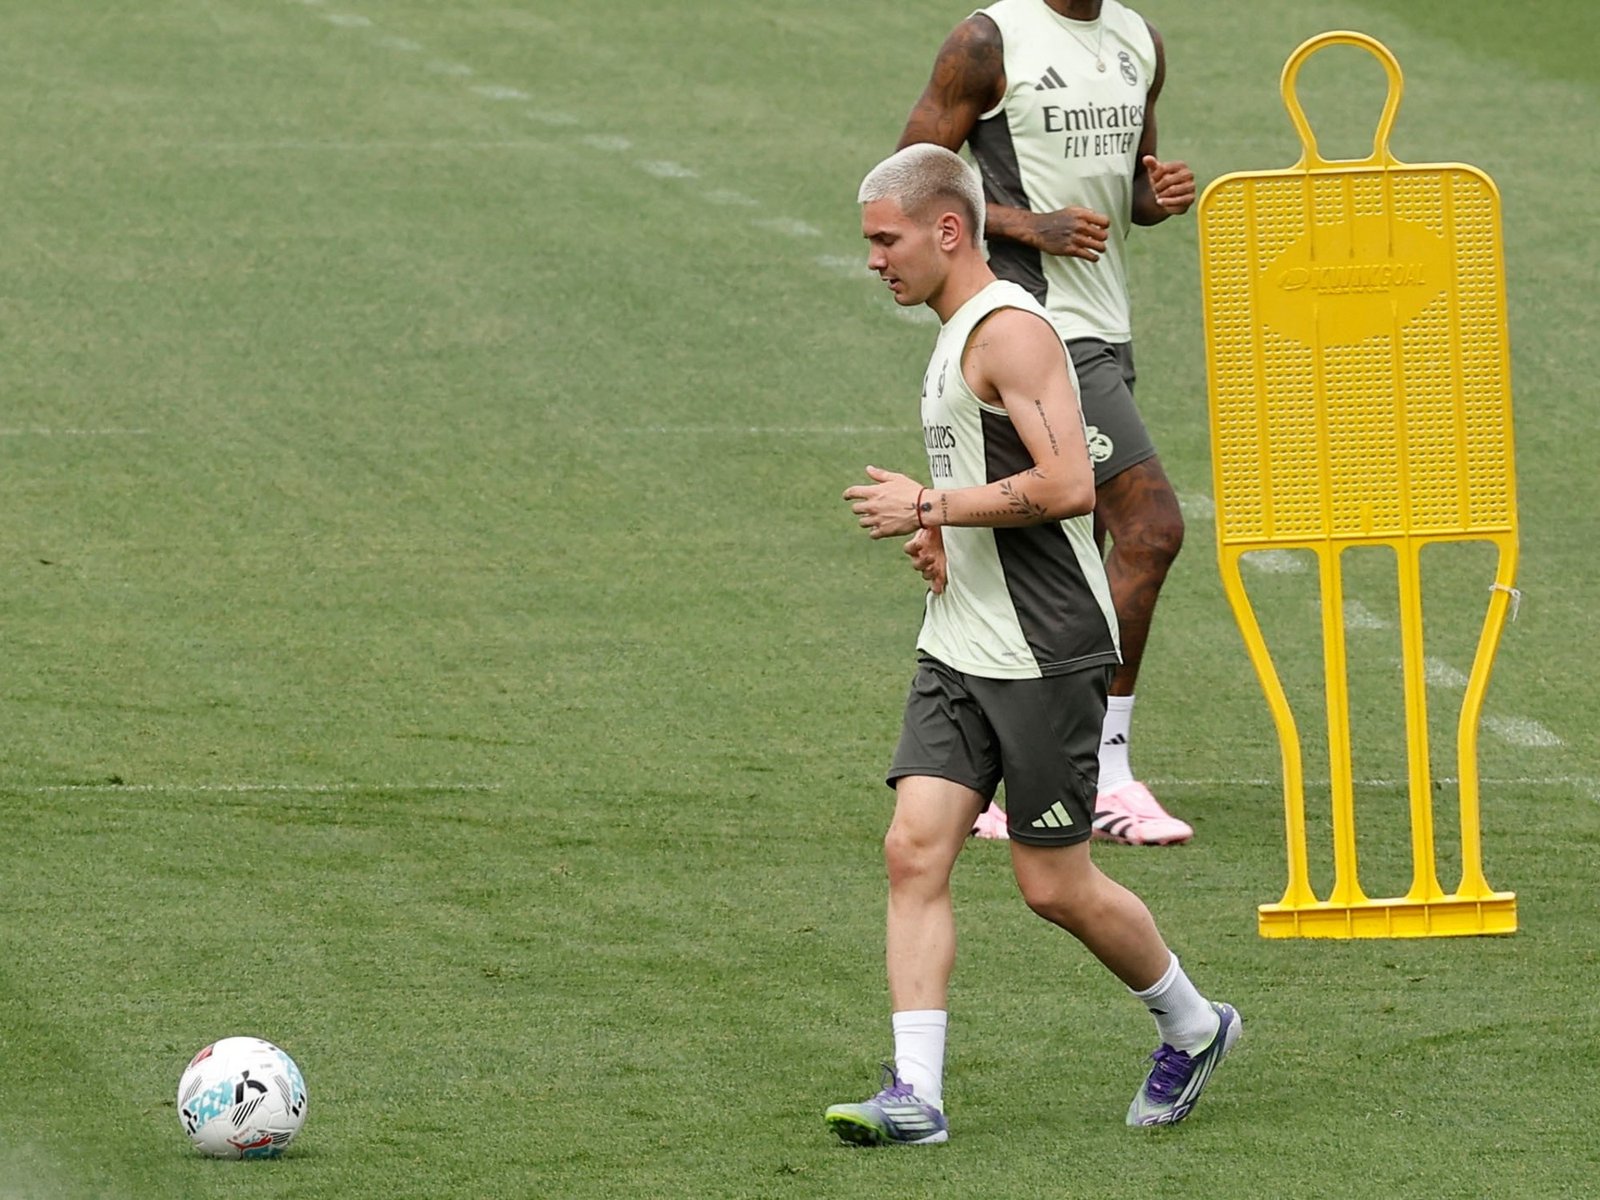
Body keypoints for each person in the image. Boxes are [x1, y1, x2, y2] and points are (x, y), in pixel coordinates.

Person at [825, 143, 1238, 1147]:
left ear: (947, 229)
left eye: (886, 240)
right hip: (958, 645)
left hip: (1044, 652)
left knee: (1053, 885)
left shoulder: (1010, 331)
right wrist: (943, 529)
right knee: (912, 850)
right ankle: (914, 1096)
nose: (874, 260)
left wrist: (928, 501)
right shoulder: (954, 326)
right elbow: (993, 467)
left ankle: (1192, 1024)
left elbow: (1065, 488)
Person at [896, 0, 1195, 846]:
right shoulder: (989, 40)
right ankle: (1104, 770)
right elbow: (911, 179)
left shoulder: (1140, 41)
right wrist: (1031, 227)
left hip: (1106, 323)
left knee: (1061, 553)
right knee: (1150, 527)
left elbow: (1128, 186)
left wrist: (1155, 194)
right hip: (1033, 322)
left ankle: (1005, 769)